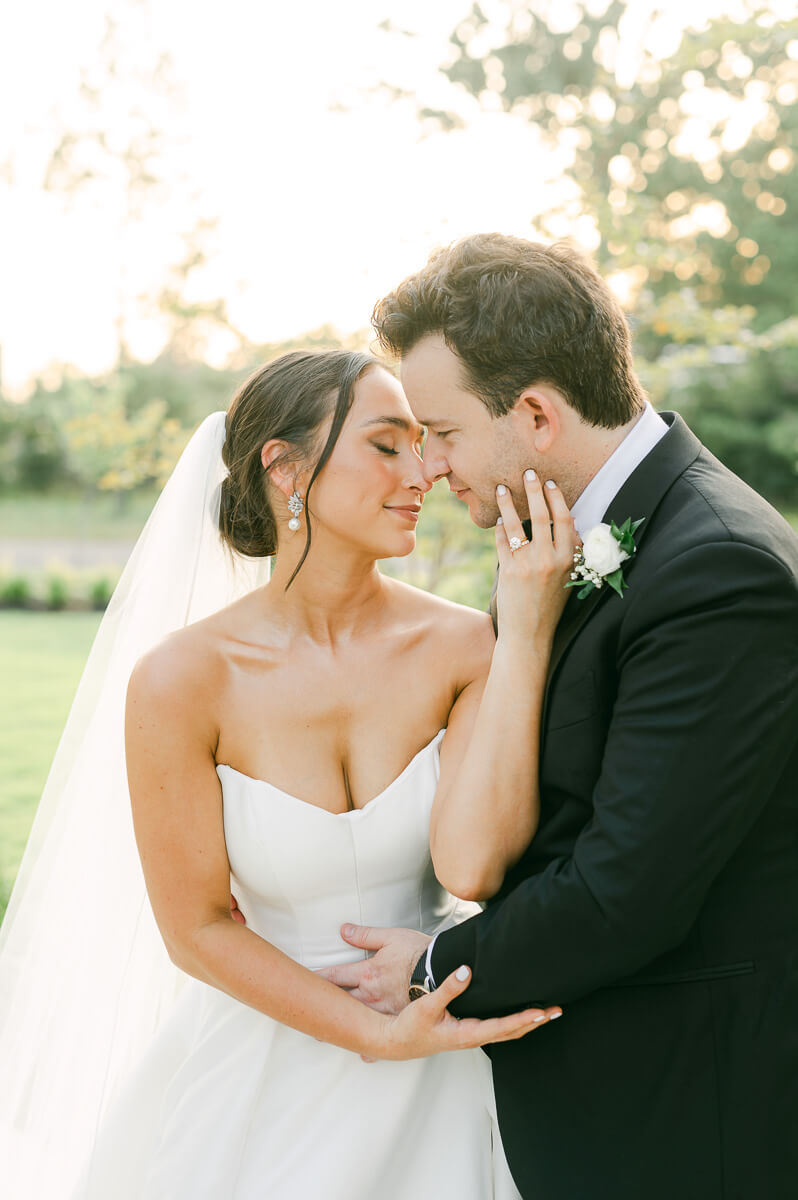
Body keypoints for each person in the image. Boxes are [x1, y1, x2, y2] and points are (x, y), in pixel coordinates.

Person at [0, 347, 570, 1199]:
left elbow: (474, 866)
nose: (423, 471)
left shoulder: (467, 645)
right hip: (263, 1074)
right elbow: (195, 928)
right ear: (285, 465)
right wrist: (373, 1038)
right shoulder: (183, 679)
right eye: (386, 445)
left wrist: (525, 638)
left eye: (422, 443)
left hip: (444, 1067)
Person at [321, 234, 798, 1200]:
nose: (433, 468)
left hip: (682, 1119)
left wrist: (437, 966)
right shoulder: (550, 544)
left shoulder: (717, 569)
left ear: (536, 413)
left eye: (444, 433)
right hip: (593, 1104)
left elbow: (629, 888)